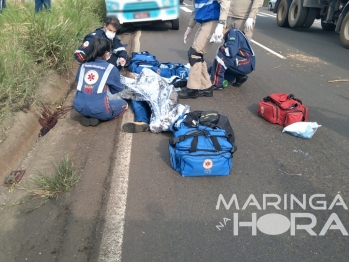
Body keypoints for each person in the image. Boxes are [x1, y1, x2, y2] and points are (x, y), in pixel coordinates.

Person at [177, 0, 230, 99]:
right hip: (204, 22)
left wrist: (221, 23)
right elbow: (196, 9)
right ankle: (206, 87)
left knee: (195, 53)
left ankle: (193, 89)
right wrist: (189, 27)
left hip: (213, 21)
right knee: (197, 54)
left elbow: (225, 2)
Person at [73, 37, 128, 127]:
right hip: (100, 109)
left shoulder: (82, 66)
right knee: (124, 104)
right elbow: (118, 88)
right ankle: (99, 119)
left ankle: (88, 116)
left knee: (91, 101)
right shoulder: (110, 68)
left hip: (79, 107)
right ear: (107, 53)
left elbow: (80, 82)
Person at [222, 0, 262, 87]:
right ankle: (229, 73)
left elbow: (257, 2)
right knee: (229, 47)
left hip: (244, 18)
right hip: (230, 16)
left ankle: (240, 74)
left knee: (241, 50)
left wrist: (251, 16)